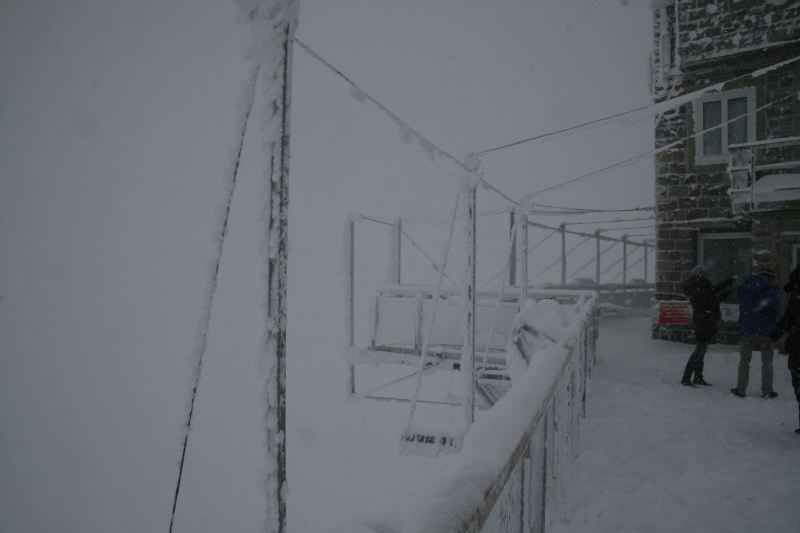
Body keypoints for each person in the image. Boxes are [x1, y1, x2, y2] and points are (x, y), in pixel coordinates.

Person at [681, 265, 735, 386]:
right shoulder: (701, 286)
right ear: (703, 275)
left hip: (702, 320)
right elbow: (711, 300)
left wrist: (726, 284)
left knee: (702, 349)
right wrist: (727, 291)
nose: (710, 277)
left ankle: (697, 377)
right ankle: (687, 377)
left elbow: (712, 294)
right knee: (700, 350)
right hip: (704, 321)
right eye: (708, 275)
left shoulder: (697, 286)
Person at [731, 264, 780, 398]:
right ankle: (767, 390)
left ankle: (741, 389)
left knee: (745, 360)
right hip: (766, 331)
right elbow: (776, 311)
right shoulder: (770, 290)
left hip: (747, 329)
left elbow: (742, 307)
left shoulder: (745, 288)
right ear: (770, 277)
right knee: (767, 362)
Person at [769, 264, 800, 433]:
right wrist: (773, 336)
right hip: (797, 348)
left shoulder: (795, 296)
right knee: (798, 386)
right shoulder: (795, 297)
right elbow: (788, 319)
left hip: (797, 348)